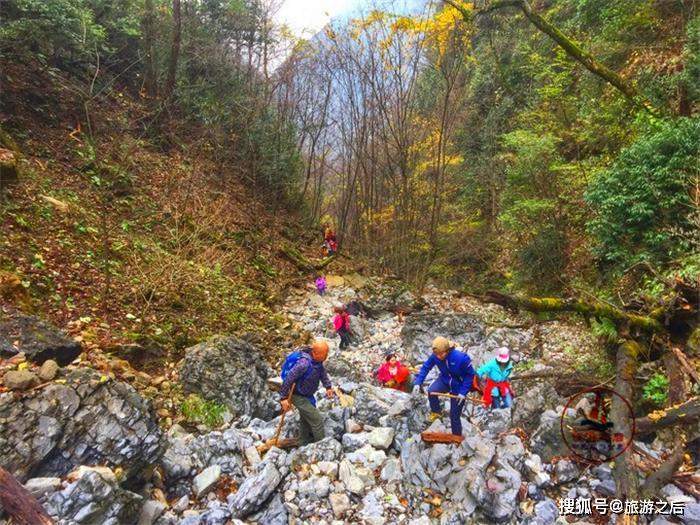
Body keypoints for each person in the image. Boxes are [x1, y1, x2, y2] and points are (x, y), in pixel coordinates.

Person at [412, 336, 475, 436]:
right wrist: (418, 382)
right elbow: (426, 367)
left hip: (458, 385)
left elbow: (470, 375)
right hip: (444, 380)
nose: (439, 357)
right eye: (437, 354)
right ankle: (436, 412)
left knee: (454, 415)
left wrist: (463, 393)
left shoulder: (461, 358)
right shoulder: (435, 355)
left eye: (441, 354)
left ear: (448, 350)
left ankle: (456, 437)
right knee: (431, 391)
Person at [279, 340, 336, 445]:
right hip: (298, 396)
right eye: (325, 354)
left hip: (307, 395)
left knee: (306, 419)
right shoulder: (303, 364)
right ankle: (321, 447)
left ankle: (303, 442)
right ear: (315, 353)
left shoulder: (318, 361)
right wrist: (283, 398)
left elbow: (322, 372)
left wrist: (328, 387)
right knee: (317, 420)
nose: (327, 356)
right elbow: (289, 379)